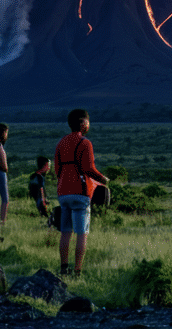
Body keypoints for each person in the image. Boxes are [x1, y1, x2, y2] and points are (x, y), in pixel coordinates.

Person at [54, 109, 108, 277]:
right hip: (81, 192)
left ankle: (63, 268)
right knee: (81, 234)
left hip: (63, 192)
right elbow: (88, 168)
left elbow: (57, 169)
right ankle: (77, 271)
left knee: (65, 232)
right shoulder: (85, 143)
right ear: (84, 123)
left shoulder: (61, 142)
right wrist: (103, 179)